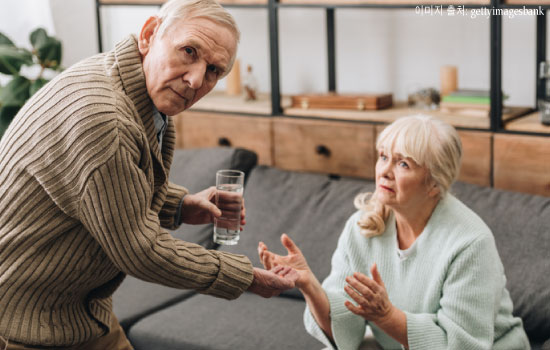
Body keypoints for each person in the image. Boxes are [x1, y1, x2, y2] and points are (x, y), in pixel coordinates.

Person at [0, 0, 298, 349]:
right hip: (23, 322)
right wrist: (244, 277)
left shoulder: (135, 91)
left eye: (214, 70)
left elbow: (105, 189)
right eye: (189, 51)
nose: (196, 79)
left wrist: (181, 205)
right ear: (149, 34)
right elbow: (140, 251)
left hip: (77, 309)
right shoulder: (102, 116)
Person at [258, 115, 530, 350]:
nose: (384, 172)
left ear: (434, 183)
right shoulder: (361, 226)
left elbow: (462, 345)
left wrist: (386, 316)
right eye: (384, 157)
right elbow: (348, 328)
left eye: (403, 164)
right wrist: (310, 286)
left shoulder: (470, 243)